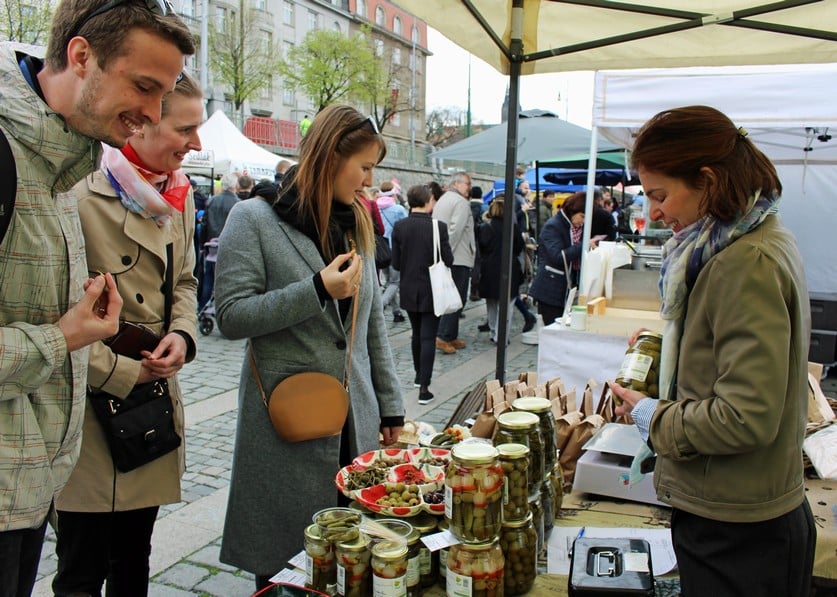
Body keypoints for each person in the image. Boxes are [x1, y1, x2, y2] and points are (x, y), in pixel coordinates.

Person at [0, 1, 194, 593]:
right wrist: (70, 338)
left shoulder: (61, 160)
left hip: (31, 483)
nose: (154, 114)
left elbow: (180, 283)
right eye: (144, 86)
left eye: (165, 98)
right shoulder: (25, 161)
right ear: (81, 56)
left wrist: (177, 336)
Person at [609, 106, 815, 597]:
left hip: (739, 530)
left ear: (708, 181)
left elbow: (745, 415)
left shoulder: (745, 262)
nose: (653, 212)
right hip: (738, 513)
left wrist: (651, 416)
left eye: (660, 195)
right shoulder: (742, 240)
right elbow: (733, 358)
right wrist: (669, 348)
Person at [214, 105, 404, 591]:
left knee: (350, 558)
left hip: (352, 422)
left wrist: (391, 407)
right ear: (329, 157)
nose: (368, 180)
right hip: (287, 422)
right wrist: (316, 289)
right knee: (283, 561)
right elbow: (232, 315)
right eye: (363, 166)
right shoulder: (253, 217)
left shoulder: (355, 222)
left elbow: (371, 325)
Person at [52, 71, 202, 597]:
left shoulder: (174, 196)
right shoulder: (75, 193)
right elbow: (56, 315)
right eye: (185, 129)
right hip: (90, 414)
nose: (197, 144)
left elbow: (183, 281)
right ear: (140, 127)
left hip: (150, 410)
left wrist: (181, 336)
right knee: (80, 570)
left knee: (134, 561)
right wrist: (122, 371)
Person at [391, 184, 454, 405]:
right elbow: (449, 259)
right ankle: (424, 387)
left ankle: (419, 376)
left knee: (416, 335)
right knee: (428, 337)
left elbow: (396, 263)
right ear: (429, 201)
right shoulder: (439, 227)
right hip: (432, 289)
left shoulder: (400, 226)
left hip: (408, 288)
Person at [528, 192, 590, 326]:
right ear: (572, 211)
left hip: (563, 289)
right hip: (550, 289)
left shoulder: (571, 226)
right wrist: (584, 245)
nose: (583, 221)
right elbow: (558, 256)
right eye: (582, 216)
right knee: (553, 329)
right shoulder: (554, 225)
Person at [433, 171, 475, 354]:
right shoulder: (460, 202)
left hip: (451, 255)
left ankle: (450, 334)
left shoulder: (444, 199)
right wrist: (446, 255)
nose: (469, 187)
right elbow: (454, 231)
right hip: (458, 257)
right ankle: (443, 335)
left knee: (452, 297)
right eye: (467, 183)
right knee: (456, 298)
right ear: (457, 184)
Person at [477, 197, 524, 344]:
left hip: (489, 269)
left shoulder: (485, 227)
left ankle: (493, 330)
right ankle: (501, 335)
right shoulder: (513, 228)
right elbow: (519, 247)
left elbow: (482, 248)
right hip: (509, 268)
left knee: (491, 303)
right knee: (507, 305)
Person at [378, 181, 408, 323]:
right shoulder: (398, 209)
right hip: (395, 250)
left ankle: (397, 312)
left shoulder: (375, 207)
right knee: (395, 282)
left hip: (380, 250)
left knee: (389, 282)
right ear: (393, 194)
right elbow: (407, 228)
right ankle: (380, 305)